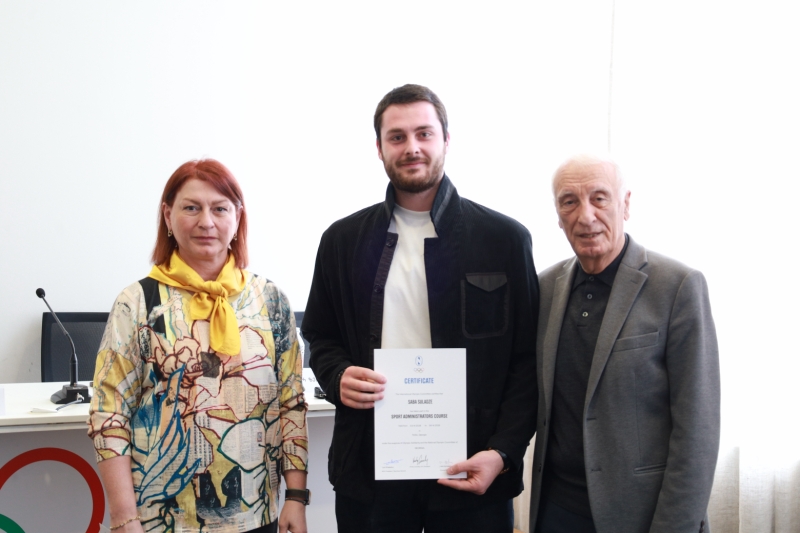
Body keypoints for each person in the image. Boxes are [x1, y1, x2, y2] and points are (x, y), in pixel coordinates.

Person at [302, 84, 539, 533]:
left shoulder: (504, 240)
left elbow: (526, 361)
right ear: (379, 148)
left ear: (446, 140)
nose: (411, 147)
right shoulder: (342, 241)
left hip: (472, 468)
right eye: (397, 137)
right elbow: (321, 334)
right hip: (371, 472)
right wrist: (337, 376)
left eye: (424, 134)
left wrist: (504, 452)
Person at [88, 159, 309, 533]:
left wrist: (296, 497)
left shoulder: (270, 300)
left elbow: (291, 402)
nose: (206, 222)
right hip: (160, 520)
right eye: (191, 208)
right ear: (168, 215)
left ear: (237, 218)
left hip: (257, 513)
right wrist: (123, 515)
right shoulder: (137, 303)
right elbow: (109, 412)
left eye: (219, 209)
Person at [528, 155, 720, 533]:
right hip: (555, 511)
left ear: (625, 204)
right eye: (569, 201)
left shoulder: (677, 286)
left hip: (641, 516)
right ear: (558, 215)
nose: (585, 216)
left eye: (599, 198)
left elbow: (697, 431)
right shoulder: (544, 288)